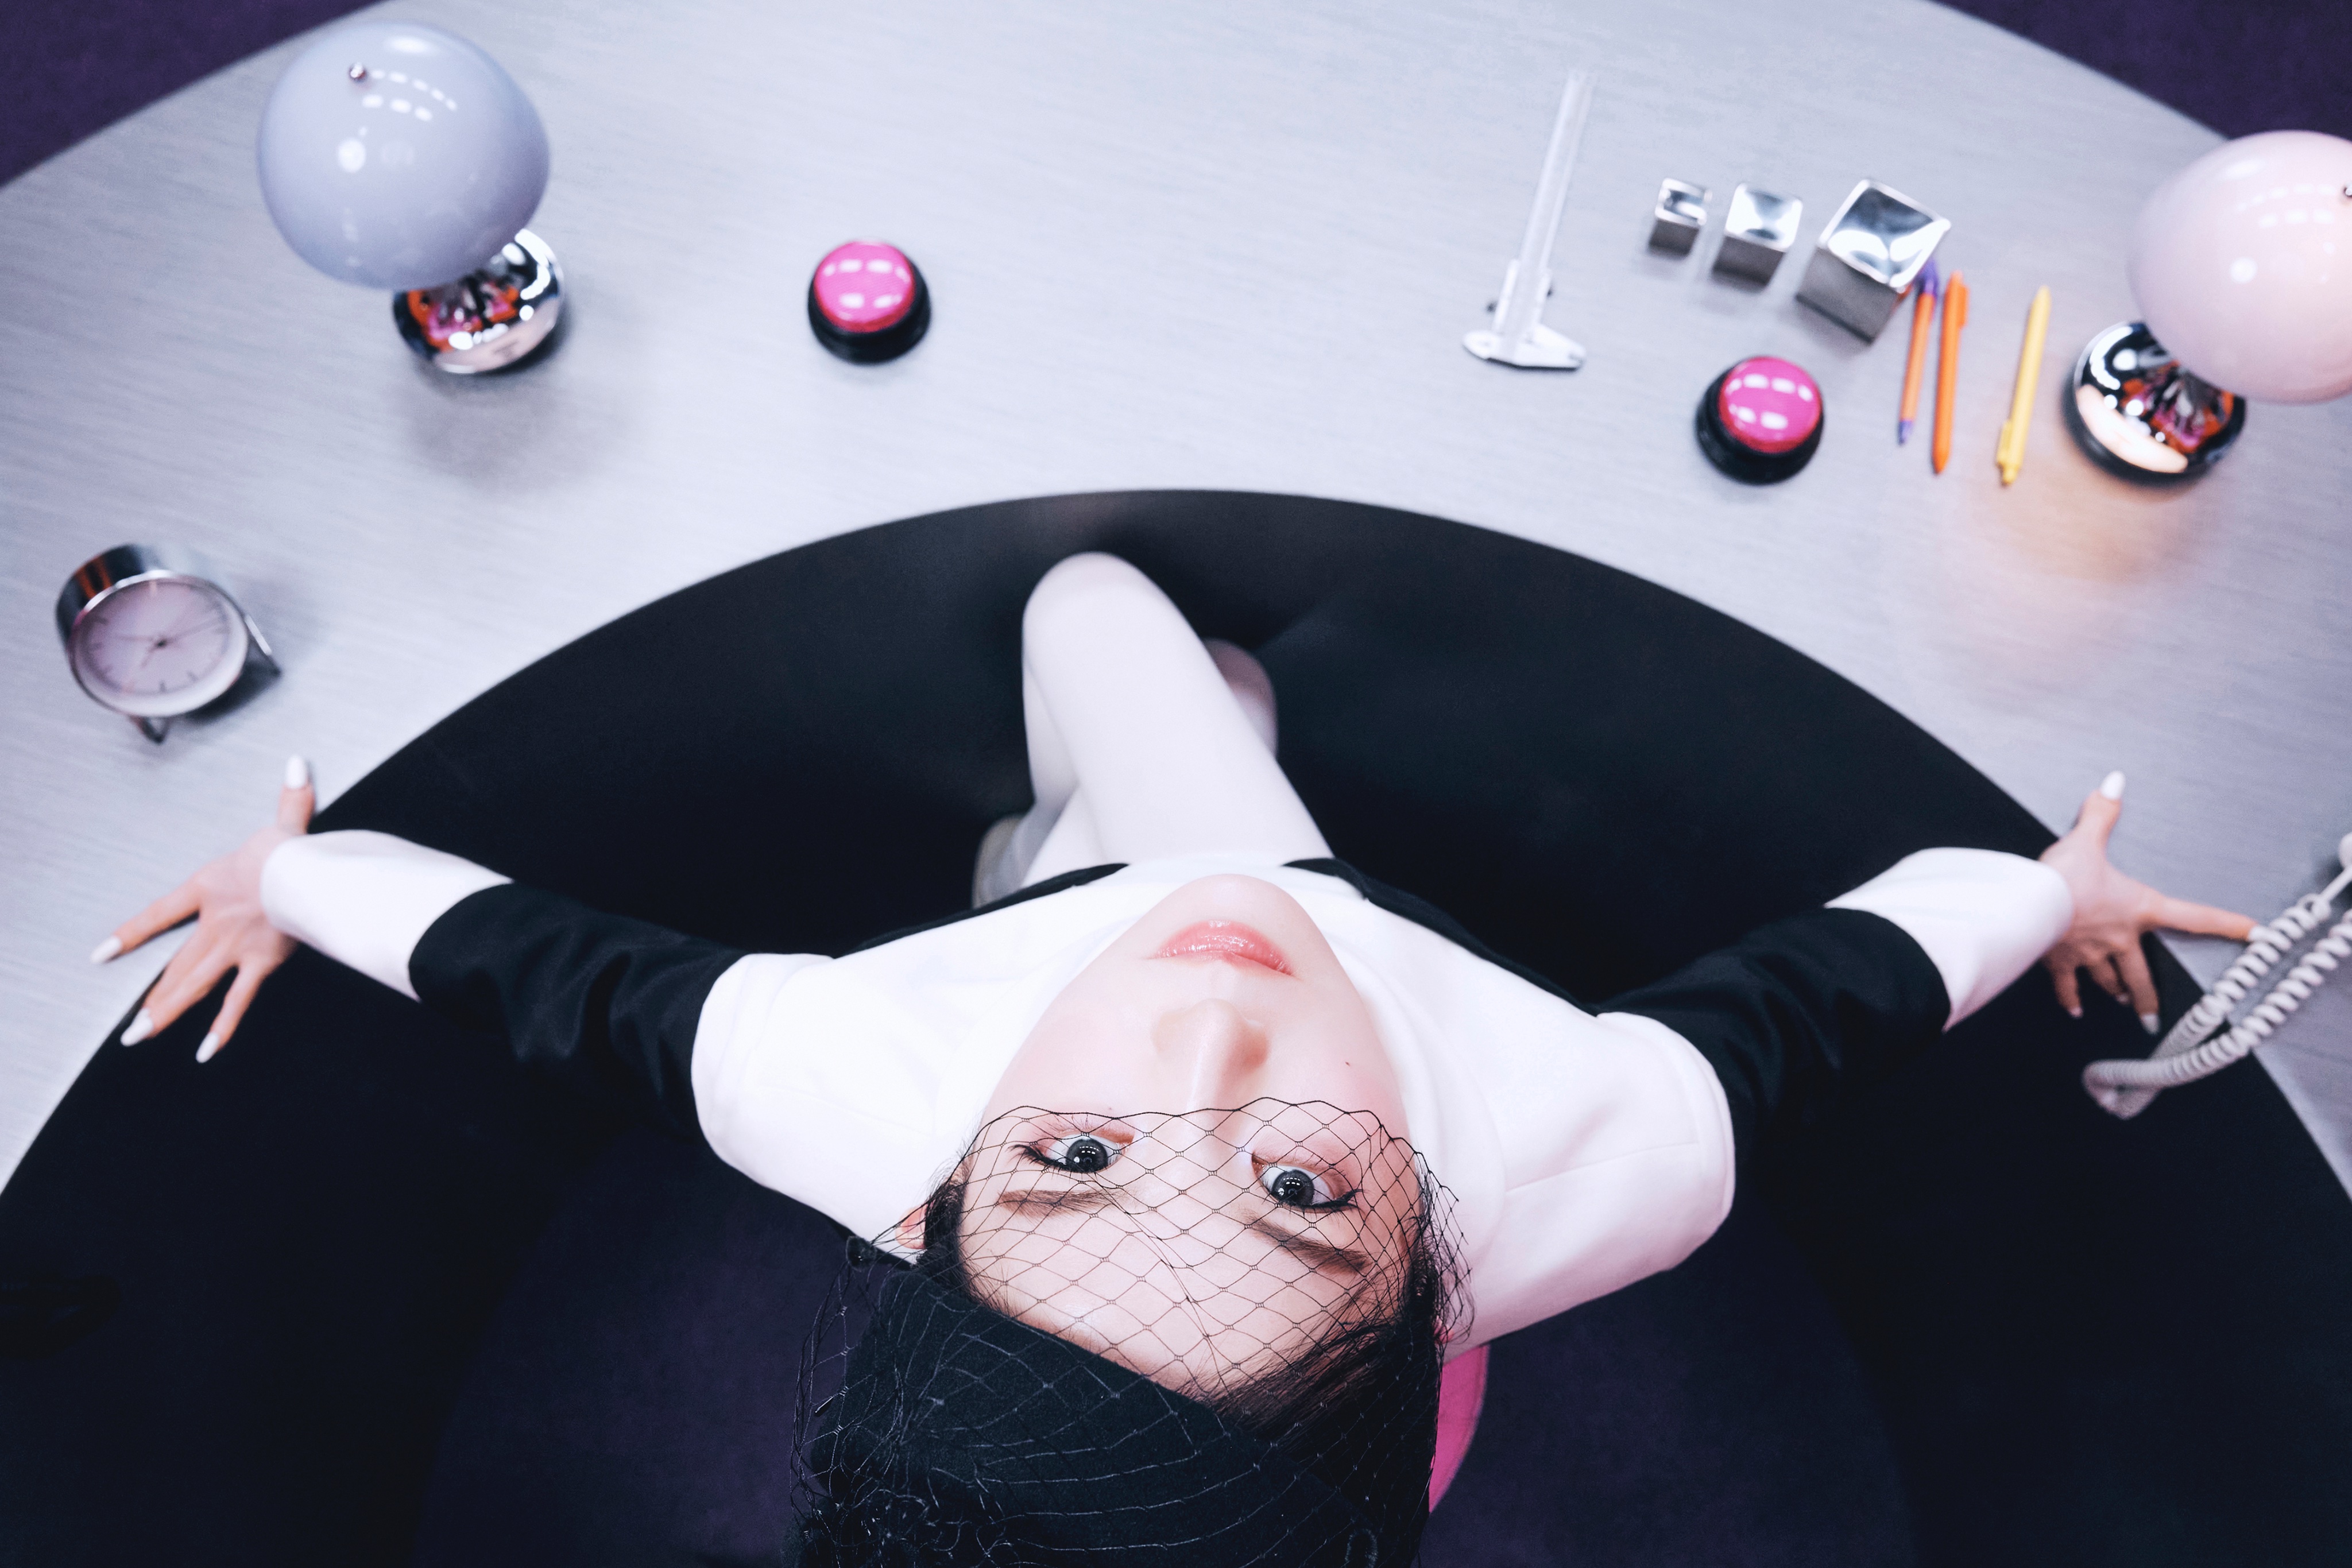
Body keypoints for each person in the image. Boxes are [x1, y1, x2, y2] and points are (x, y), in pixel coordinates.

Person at [100, 552, 2254, 1565]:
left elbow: (529, 965)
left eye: (1077, 1156)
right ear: (1430, 1288)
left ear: (938, 1202)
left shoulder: (831, 1075)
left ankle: (1056, 857)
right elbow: (1852, 979)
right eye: (1303, 1190)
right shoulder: (1605, 1154)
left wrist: (285, 875)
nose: (1212, 1029)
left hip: (1112, 899)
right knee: (1148, 684)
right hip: (1303, 1003)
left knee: (1098, 661)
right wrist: (2046, 886)